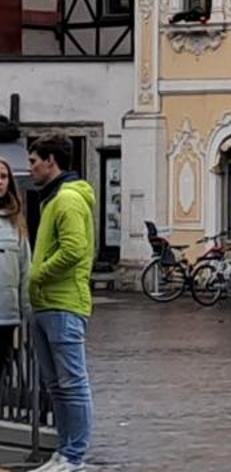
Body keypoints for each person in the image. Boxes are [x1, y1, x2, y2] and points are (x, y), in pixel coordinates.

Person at [26, 134, 95, 472]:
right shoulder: (53, 199)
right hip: (47, 303)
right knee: (57, 385)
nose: (31, 168)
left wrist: (39, 274)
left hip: (63, 302)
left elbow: (75, 250)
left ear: (50, 160)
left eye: (34, 161)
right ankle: (64, 452)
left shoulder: (67, 199)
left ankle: (73, 455)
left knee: (71, 383)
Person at [0, 158, 30, 368]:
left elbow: (25, 269)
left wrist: (27, 314)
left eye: (3, 177)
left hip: (5, 316)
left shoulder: (15, 223)